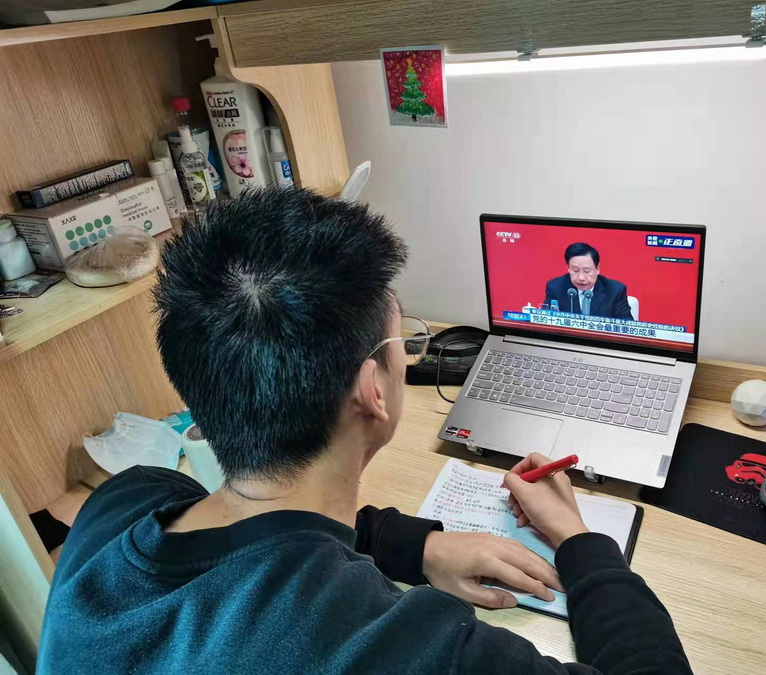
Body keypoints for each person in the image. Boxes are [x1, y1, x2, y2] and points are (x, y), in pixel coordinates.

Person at [38, 188, 690, 674]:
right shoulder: (389, 647)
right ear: (372, 388)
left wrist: (417, 547)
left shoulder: (122, 504)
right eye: (402, 339)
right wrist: (577, 538)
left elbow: (261, 535)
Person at [544, 242, 634, 320]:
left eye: (586, 271)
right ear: (568, 268)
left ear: (597, 269)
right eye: (575, 271)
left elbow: (626, 324)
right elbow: (546, 319)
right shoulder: (555, 288)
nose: (581, 278)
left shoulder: (615, 290)